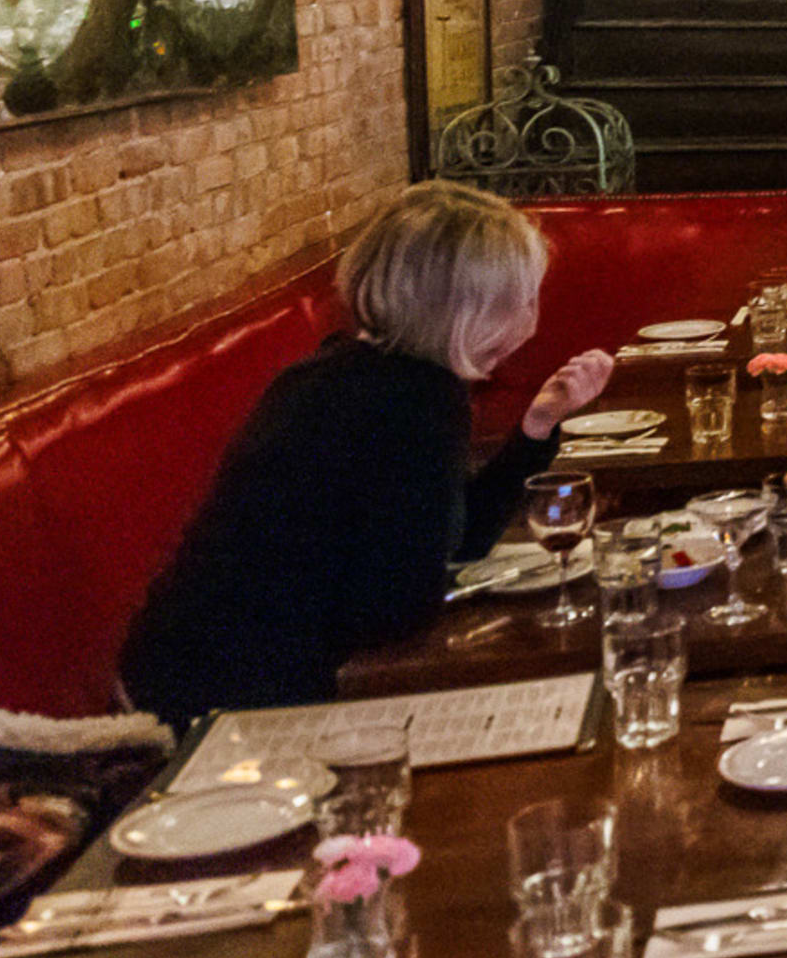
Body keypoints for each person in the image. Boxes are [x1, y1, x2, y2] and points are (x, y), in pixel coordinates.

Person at [121, 183, 615, 721]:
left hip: (171, 672)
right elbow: (394, 608)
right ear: (466, 310)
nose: (529, 316)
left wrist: (537, 426)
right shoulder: (418, 400)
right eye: (518, 299)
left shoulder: (335, 369)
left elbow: (458, 543)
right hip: (228, 706)